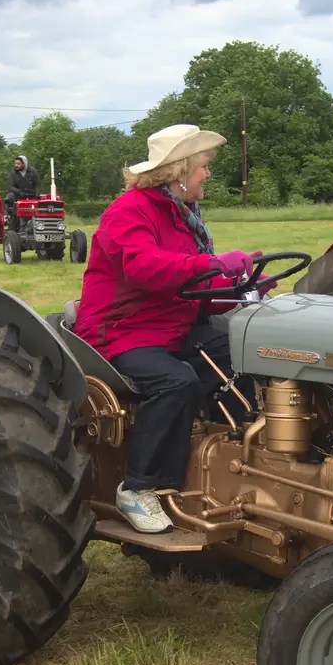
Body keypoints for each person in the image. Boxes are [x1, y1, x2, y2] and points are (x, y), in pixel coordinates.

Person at [72, 124, 260, 533]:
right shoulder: (128, 211)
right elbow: (145, 269)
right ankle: (139, 488)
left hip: (170, 326)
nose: (208, 175)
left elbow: (196, 290)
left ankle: (248, 453)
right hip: (120, 331)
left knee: (246, 350)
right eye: (204, 167)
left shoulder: (184, 217)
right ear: (179, 172)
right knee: (177, 382)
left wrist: (241, 287)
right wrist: (213, 264)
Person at [7, 155, 39, 225]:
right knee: (10, 198)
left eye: (18, 164)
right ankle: (12, 225)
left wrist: (37, 195)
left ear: (24, 164)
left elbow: (37, 184)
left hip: (32, 195)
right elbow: (11, 187)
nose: (16, 165)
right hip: (18, 195)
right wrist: (19, 192)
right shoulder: (13, 173)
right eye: (15, 163)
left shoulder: (33, 171)